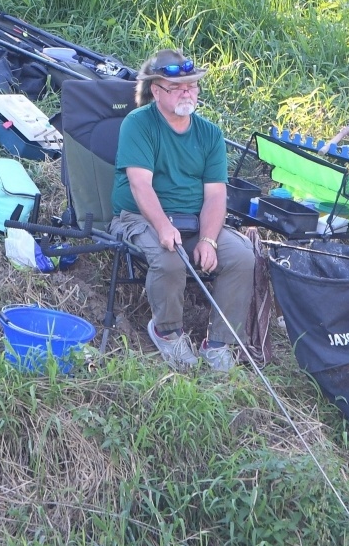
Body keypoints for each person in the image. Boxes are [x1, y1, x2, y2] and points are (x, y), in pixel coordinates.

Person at [109, 49, 254, 372]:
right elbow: (140, 185)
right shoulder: (138, 124)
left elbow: (216, 195)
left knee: (242, 255)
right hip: (139, 218)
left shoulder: (210, 134)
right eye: (176, 87)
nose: (187, 92)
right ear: (157, 91)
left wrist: (208, 240)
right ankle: (167, 331)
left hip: (194, 221)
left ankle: (218, 344)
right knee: (170, 260)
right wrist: (162, 226)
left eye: (192, 86)